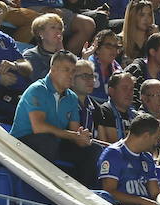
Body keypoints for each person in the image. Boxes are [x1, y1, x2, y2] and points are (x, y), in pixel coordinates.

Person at [9, 50, 98, 183]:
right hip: (22, 143)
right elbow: (39, 128)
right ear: (53, 69)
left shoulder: (72, 98)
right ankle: (42, 188)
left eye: (73, 71)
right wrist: (72, 136)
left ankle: (80, 195)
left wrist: (81, 137)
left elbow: (74, 131)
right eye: (67, 70)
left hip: (53, 142)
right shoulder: (38, 89)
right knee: (47, 141)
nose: (71, 75)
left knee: (92, 150)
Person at [97, 114, 160, 205]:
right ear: (146, 136)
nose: (156, 143)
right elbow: (109, 191)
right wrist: (144, 202)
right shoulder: (114, 153)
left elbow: (156, 192)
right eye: (155, 138)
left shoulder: (147, 158)